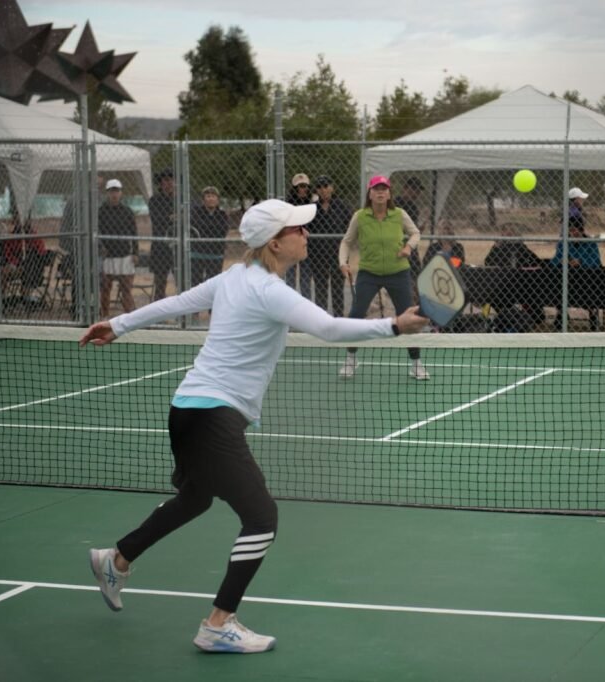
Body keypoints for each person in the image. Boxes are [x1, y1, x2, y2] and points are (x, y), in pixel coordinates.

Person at [81, 198, 430, 654]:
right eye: (297, 230)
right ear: (274, 243)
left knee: (196, 498)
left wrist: (119, 324)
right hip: (212, 416)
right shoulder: (267, 289)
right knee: (262, 518)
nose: (306, 235)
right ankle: (218, 623)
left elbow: (175, 302)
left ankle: (117, 559)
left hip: (186, 409)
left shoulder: (234, 278)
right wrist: (394, 327)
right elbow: (327, 328)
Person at [338, 175, 428, 380]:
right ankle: (350, 359)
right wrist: (343, 263)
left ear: (389, 193)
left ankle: (416, 364)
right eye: (376, 189)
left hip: (398, 273)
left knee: (409, 316)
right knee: (356, 314)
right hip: (368, 273)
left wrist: (408, 247)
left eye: (384, 189)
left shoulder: (399, 214)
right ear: (370, 193)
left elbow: (415, 234)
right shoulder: (360, 216)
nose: (380, 192)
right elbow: (346, 242)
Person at [552, 188, 603, 330]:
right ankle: (561, 314)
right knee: (555, 279)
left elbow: (596, 262)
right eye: (571, 231)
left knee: (592, 282)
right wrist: (561, 262)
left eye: (576, 231)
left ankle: (593, 315)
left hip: (585, 278)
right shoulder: (564, 242)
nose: (573, 233)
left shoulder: (590, 243)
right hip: (566, 278)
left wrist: (581, 262)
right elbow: (554, 260)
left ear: (582, 230)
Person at [59, 174, 105, 313]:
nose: (98, 183)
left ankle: (89, 307)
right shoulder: (76, 198)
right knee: (79, 277)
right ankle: (77, 308)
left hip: (94, 246)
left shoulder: (98, 199)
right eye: (95, 179)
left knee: (93, 277)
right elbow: (67, 223)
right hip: (78, 246)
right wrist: (68, 244)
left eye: (100, 179)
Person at [305, 175, 350, 315]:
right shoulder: (312, 209)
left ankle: (338, 317)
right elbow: (307, 228)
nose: (323, 190)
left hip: (338, 253)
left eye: (326, 186)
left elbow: (349, 228)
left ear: (332, 187)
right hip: (318, 255)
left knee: (337, 287)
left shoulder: (342, 206)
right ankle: (321, 317)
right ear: (316, 190)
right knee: (320, 287)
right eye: (319, 187)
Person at [98, 179, 139, 318]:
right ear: (108, 193)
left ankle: (129, 317)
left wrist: (135, 252)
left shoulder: (127, 211)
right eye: (112, 191)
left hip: (125, 256)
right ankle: (104, 316)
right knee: (105, 288)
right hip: (108, 256)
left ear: (121, 193)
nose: (114, 194)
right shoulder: (101, 211)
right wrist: (101, 247)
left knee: (126, 289)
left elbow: (134, 233)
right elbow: (98, 233)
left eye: (117, 191)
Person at [189, 186, 229, 287]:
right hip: (198, 253)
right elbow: (197, 228)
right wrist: (212, 227)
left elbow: (222, 230)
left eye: (213, 196)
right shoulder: (195, 212)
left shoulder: (222, 214)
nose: (211, 198)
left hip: (216, 254)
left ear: (218, 200)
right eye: (208, 196)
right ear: (203, 199)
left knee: (213, 282)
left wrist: (206, 227)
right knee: (196, 283)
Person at [147, 169, 178, 300]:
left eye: (172, 179)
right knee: (160, 283)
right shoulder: (155, 200)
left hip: (178, 246)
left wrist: (173, 217)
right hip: (161, 247)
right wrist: (172, 217)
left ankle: (183, 316)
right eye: (165, 180)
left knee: (182, 283)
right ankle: (158, 316)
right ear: (160, 183)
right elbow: (157, 219)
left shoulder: (182, 200)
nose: (169, 183)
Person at [284, 173, 314, 297]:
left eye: (306, 186)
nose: (303, 189)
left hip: (306, 244)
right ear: (295, 188)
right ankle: (290, 305)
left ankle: (305, 306)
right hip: (291, 243)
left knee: (305, 279)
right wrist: (300, 229)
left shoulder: (311, 204)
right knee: (290, 278)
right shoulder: (288, 204)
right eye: (300, 186)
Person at [393, 176, 425, 282]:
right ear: (406, 188)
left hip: (410, 246)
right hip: (397, 244)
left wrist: (419, 230)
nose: (417, 194)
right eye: (414, 190)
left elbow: (412, 230)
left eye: (418, 191)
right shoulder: (395, 203)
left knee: (416, 274)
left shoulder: (414, 207)